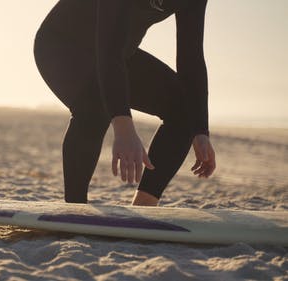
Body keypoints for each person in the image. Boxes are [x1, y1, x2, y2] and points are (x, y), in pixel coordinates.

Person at [33, 0, 216, 206]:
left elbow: (191, 56)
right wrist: (123, 126)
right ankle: (75, 207)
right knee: (95, 105)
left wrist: (200, 130)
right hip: (61, 45)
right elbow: (109, 50)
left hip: (118, 52)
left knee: (184, 108)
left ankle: (144, 206)